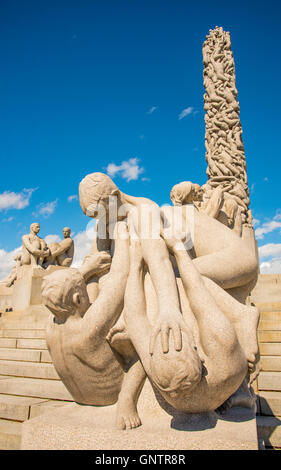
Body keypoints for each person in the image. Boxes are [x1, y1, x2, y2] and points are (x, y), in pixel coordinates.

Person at [122, 237, 253, 413]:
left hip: (208, 389)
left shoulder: (164, 383)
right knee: (190, 287)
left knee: (157, 288)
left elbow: (134, 316)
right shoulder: (224, 353)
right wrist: (178, 249)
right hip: (233, 377)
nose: (166, 335)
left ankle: (151, 241)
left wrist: (136, 265)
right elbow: (198, 291)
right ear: (201, 357)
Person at [42, 221, 146, 430]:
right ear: (78, 300)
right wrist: (121, 233)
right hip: (109, 394)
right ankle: (127, 399)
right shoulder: (90, 327)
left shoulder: (50, 327)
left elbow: (68, 293)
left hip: (81, 394)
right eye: (82, 295)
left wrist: (86, 271)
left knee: (93, 287)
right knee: (142, 351)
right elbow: (120, 273)